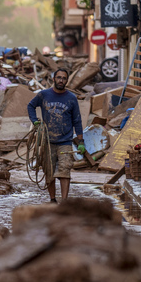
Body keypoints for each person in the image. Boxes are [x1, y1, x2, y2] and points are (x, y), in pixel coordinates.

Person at [27, 68, 84, 203]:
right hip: (48, 141)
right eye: (59, 77)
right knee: (49, 172)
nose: (61, 80)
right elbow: (30, 106)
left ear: (67, 81)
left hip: (65, 142)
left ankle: (64, 201)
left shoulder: (71, 98)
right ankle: (53, 199)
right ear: (54, 79)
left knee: (65, 171)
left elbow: (77, 120)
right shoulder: (43, 95)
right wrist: (35, 121)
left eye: (64, 78)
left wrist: (81, 141)